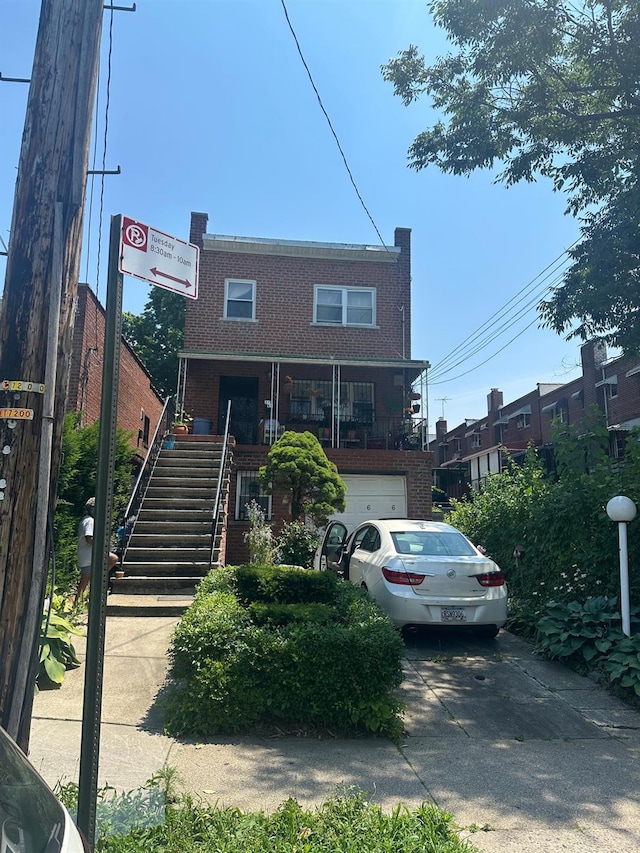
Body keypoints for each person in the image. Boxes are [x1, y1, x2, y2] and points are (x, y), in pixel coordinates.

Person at [74, 497, 118, 604]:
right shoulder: (90, 521)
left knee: (85, 580)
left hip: (88, 555)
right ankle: (77, 603)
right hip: (89, 555)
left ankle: (79, 602)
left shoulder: (87, 519)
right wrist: (102, 544)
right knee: (85, 580)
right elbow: (89, 538)